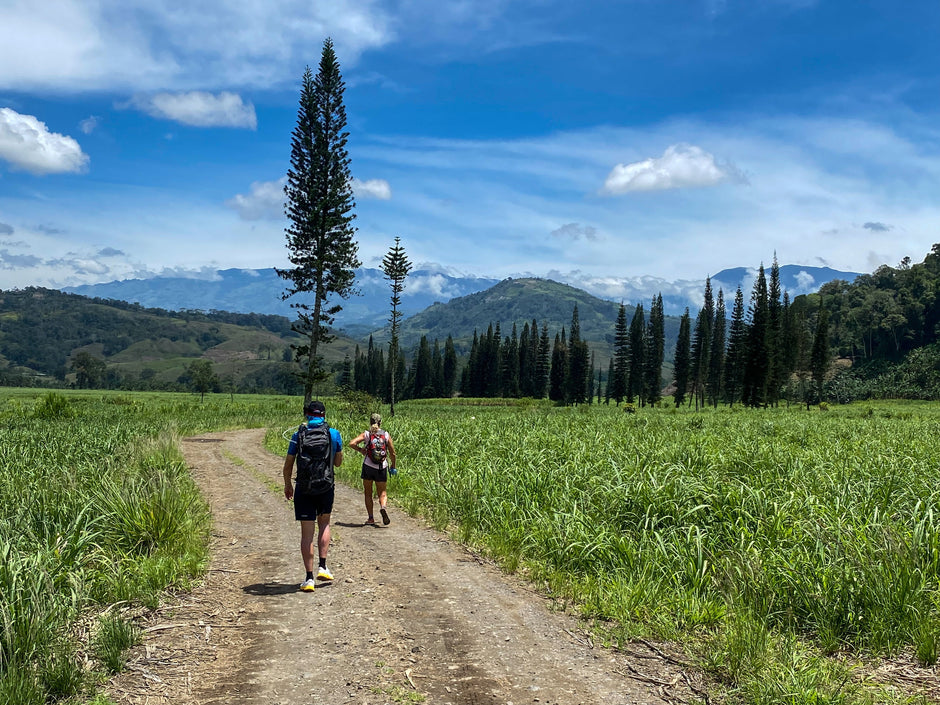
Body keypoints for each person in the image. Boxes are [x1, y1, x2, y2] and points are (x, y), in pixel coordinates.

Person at [282, 399, 343, 592]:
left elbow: (288, 464)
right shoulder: (333, 434)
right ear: (323, 415)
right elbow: (338, 463)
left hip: (304, 487)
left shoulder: (297, 434)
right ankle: (323, 566)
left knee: (306, 533)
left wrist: (287, 484)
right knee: (324, 523)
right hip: (326, 486)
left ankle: (308, 579)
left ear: (306, 414)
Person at [348, 412, 397, 526]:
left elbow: (352, 443)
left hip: (368, 466)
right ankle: (383, 507)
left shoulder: (366, 434)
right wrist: (393, 466)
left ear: (370, 422)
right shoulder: (386, 434)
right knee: (382, 492)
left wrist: (361, 450)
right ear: (380, 422)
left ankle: (370, 518)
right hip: (381, 467)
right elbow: (393, 453)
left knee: (368, 493)